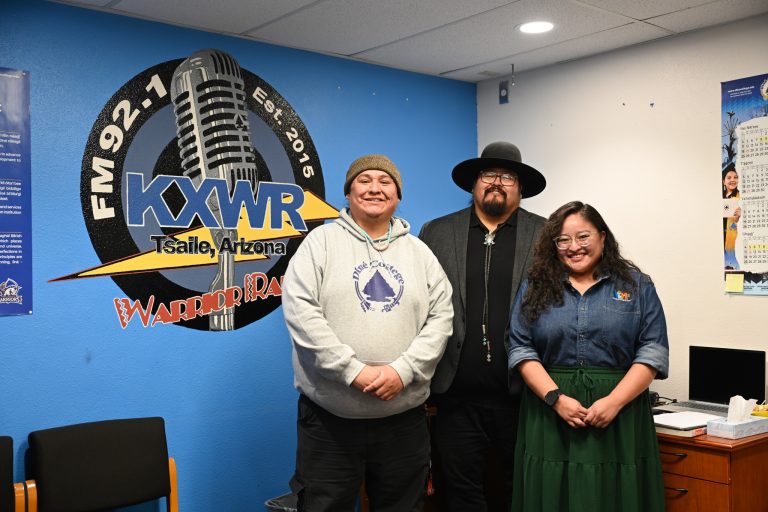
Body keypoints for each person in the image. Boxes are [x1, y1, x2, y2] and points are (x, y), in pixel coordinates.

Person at [282, 154, 453, 512]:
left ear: (398, 195)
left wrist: (403, 371)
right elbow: (301, 313)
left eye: (385, 182)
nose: (375, 188)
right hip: (329, 422)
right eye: (364, 180)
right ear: (348, 193)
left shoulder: (420, 253)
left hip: (404, 421)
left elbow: (441, 317)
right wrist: (351, 370)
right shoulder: (319, 243)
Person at [508, 201, 669, 512]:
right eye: (563, 240)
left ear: (602, 237)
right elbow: (521, 348)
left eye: (583, 236)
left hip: (620, 415)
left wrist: (614, 402)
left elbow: (653, 351)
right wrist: (556, 399)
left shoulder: (636, 285)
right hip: (550, 412)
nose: (574, 247)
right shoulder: (534, 287)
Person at [419, 141, 546, 511]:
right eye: (489, 174)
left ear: (521, 188)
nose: (497, 182)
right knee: (461, 496)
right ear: (474, 183)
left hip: (522, 397)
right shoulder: (437, 232)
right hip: (454, 397)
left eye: (508, 177)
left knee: (520, 491)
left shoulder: (546, 235)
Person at [722, 163, 741, 269]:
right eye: (729, 178)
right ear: (723, 181)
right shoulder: (719, 197)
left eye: (735, 177)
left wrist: (739, 217)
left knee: (733, 266)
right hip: (720, 237)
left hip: (733, 239)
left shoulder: (740, 197)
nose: (732, 180)